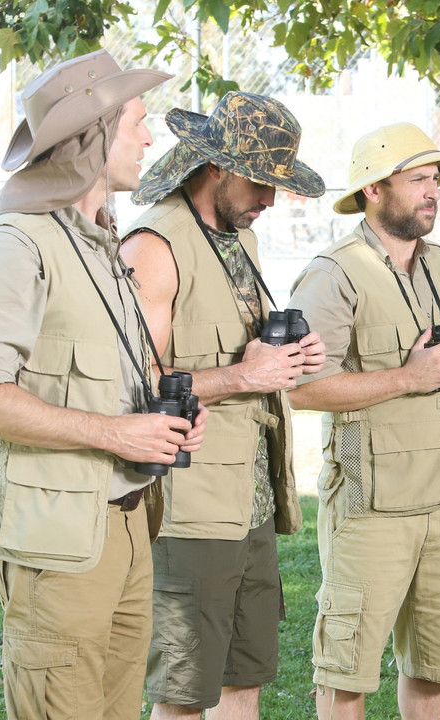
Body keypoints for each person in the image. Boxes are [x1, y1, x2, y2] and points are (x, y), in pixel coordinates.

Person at [0, 50, 208, 719]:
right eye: (137, 123)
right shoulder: (17, 245)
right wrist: (117, 433)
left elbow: (110, 376)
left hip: (127, 525)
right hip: (58, 543)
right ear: (94, 136)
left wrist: (164, 414)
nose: (149, 140)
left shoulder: (101, 245)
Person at [120, 91, 328, 719]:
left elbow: (248, 353)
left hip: (249, 500)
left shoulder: (240, 239)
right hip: (189, 508)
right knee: (185, 691)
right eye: (261, 181)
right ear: (217, 166)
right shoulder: (154, 246)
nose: (271, 199)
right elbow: (134, 381)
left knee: (245, 675)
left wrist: (290, 355)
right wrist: (243, 375)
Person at [287, 122, 440, 720]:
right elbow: (300, 388)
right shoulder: (334, 273)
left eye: (436, 180)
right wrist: (407, 377)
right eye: (418, 180)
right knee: (346, 672)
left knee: (436, 667)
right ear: (374, 190)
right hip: (371, 508)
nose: (433, 192)